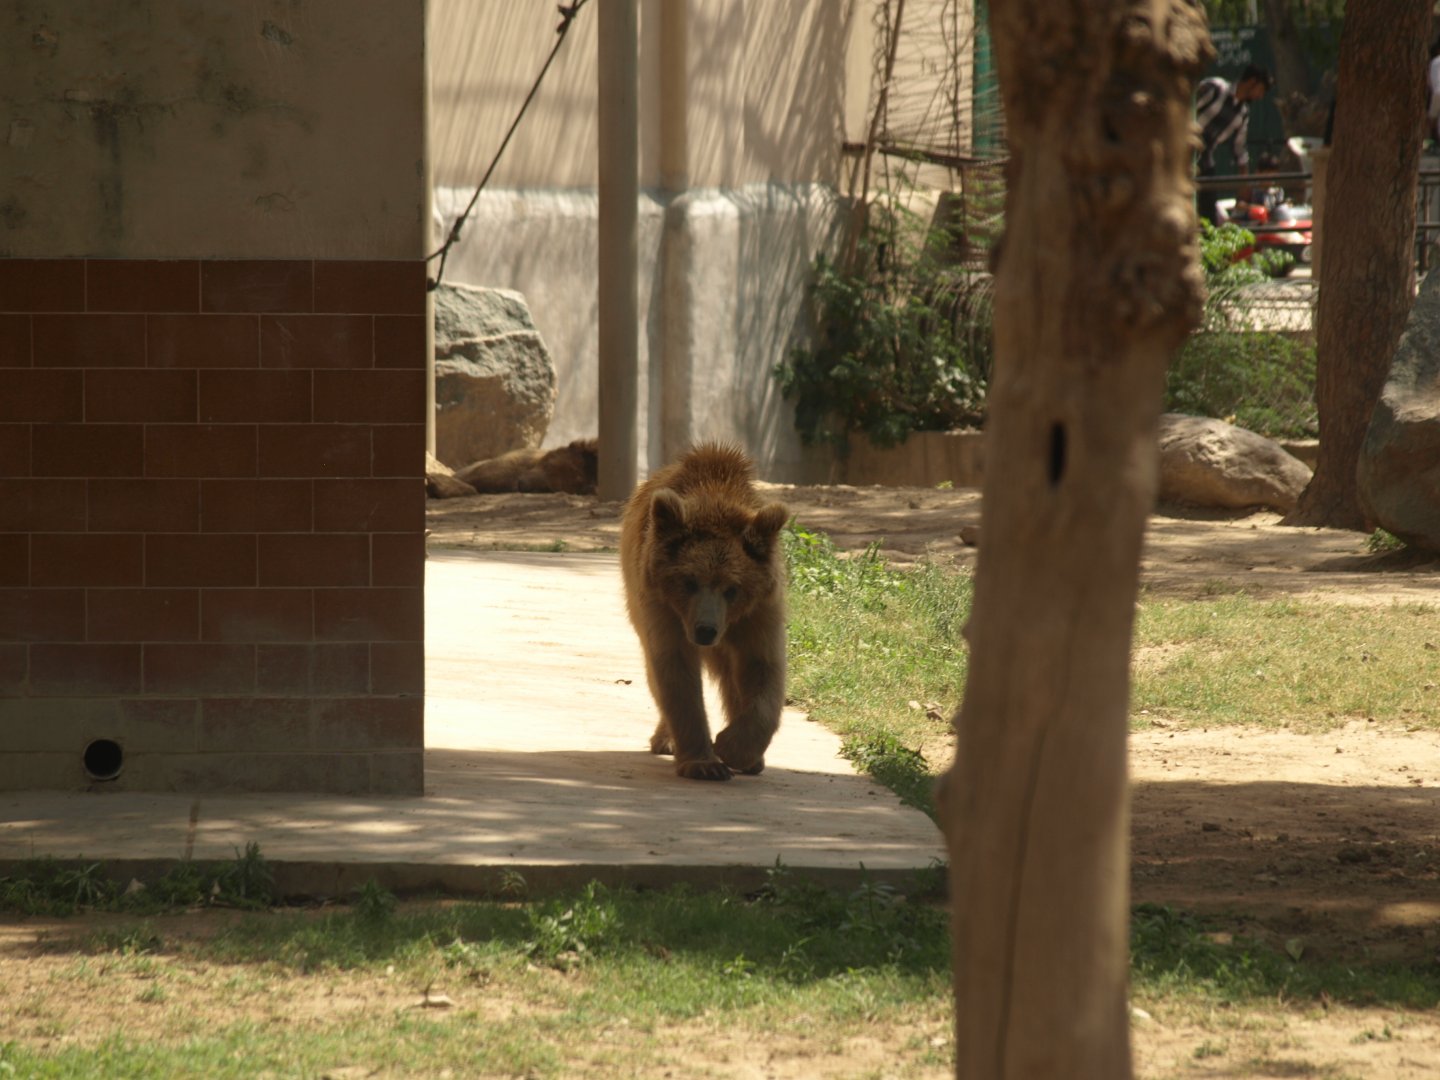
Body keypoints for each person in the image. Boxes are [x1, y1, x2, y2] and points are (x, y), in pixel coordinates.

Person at [1195, 64, 1274, 226]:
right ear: (1252, 82)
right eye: (1261, 89)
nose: (1260, 96)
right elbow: (1186, 108)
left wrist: (1244, 182)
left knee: (1208, 212)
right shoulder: (1215, 88)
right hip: (1179, 151)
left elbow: (1239, 148)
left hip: (1204, 160)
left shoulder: (1242, 113)